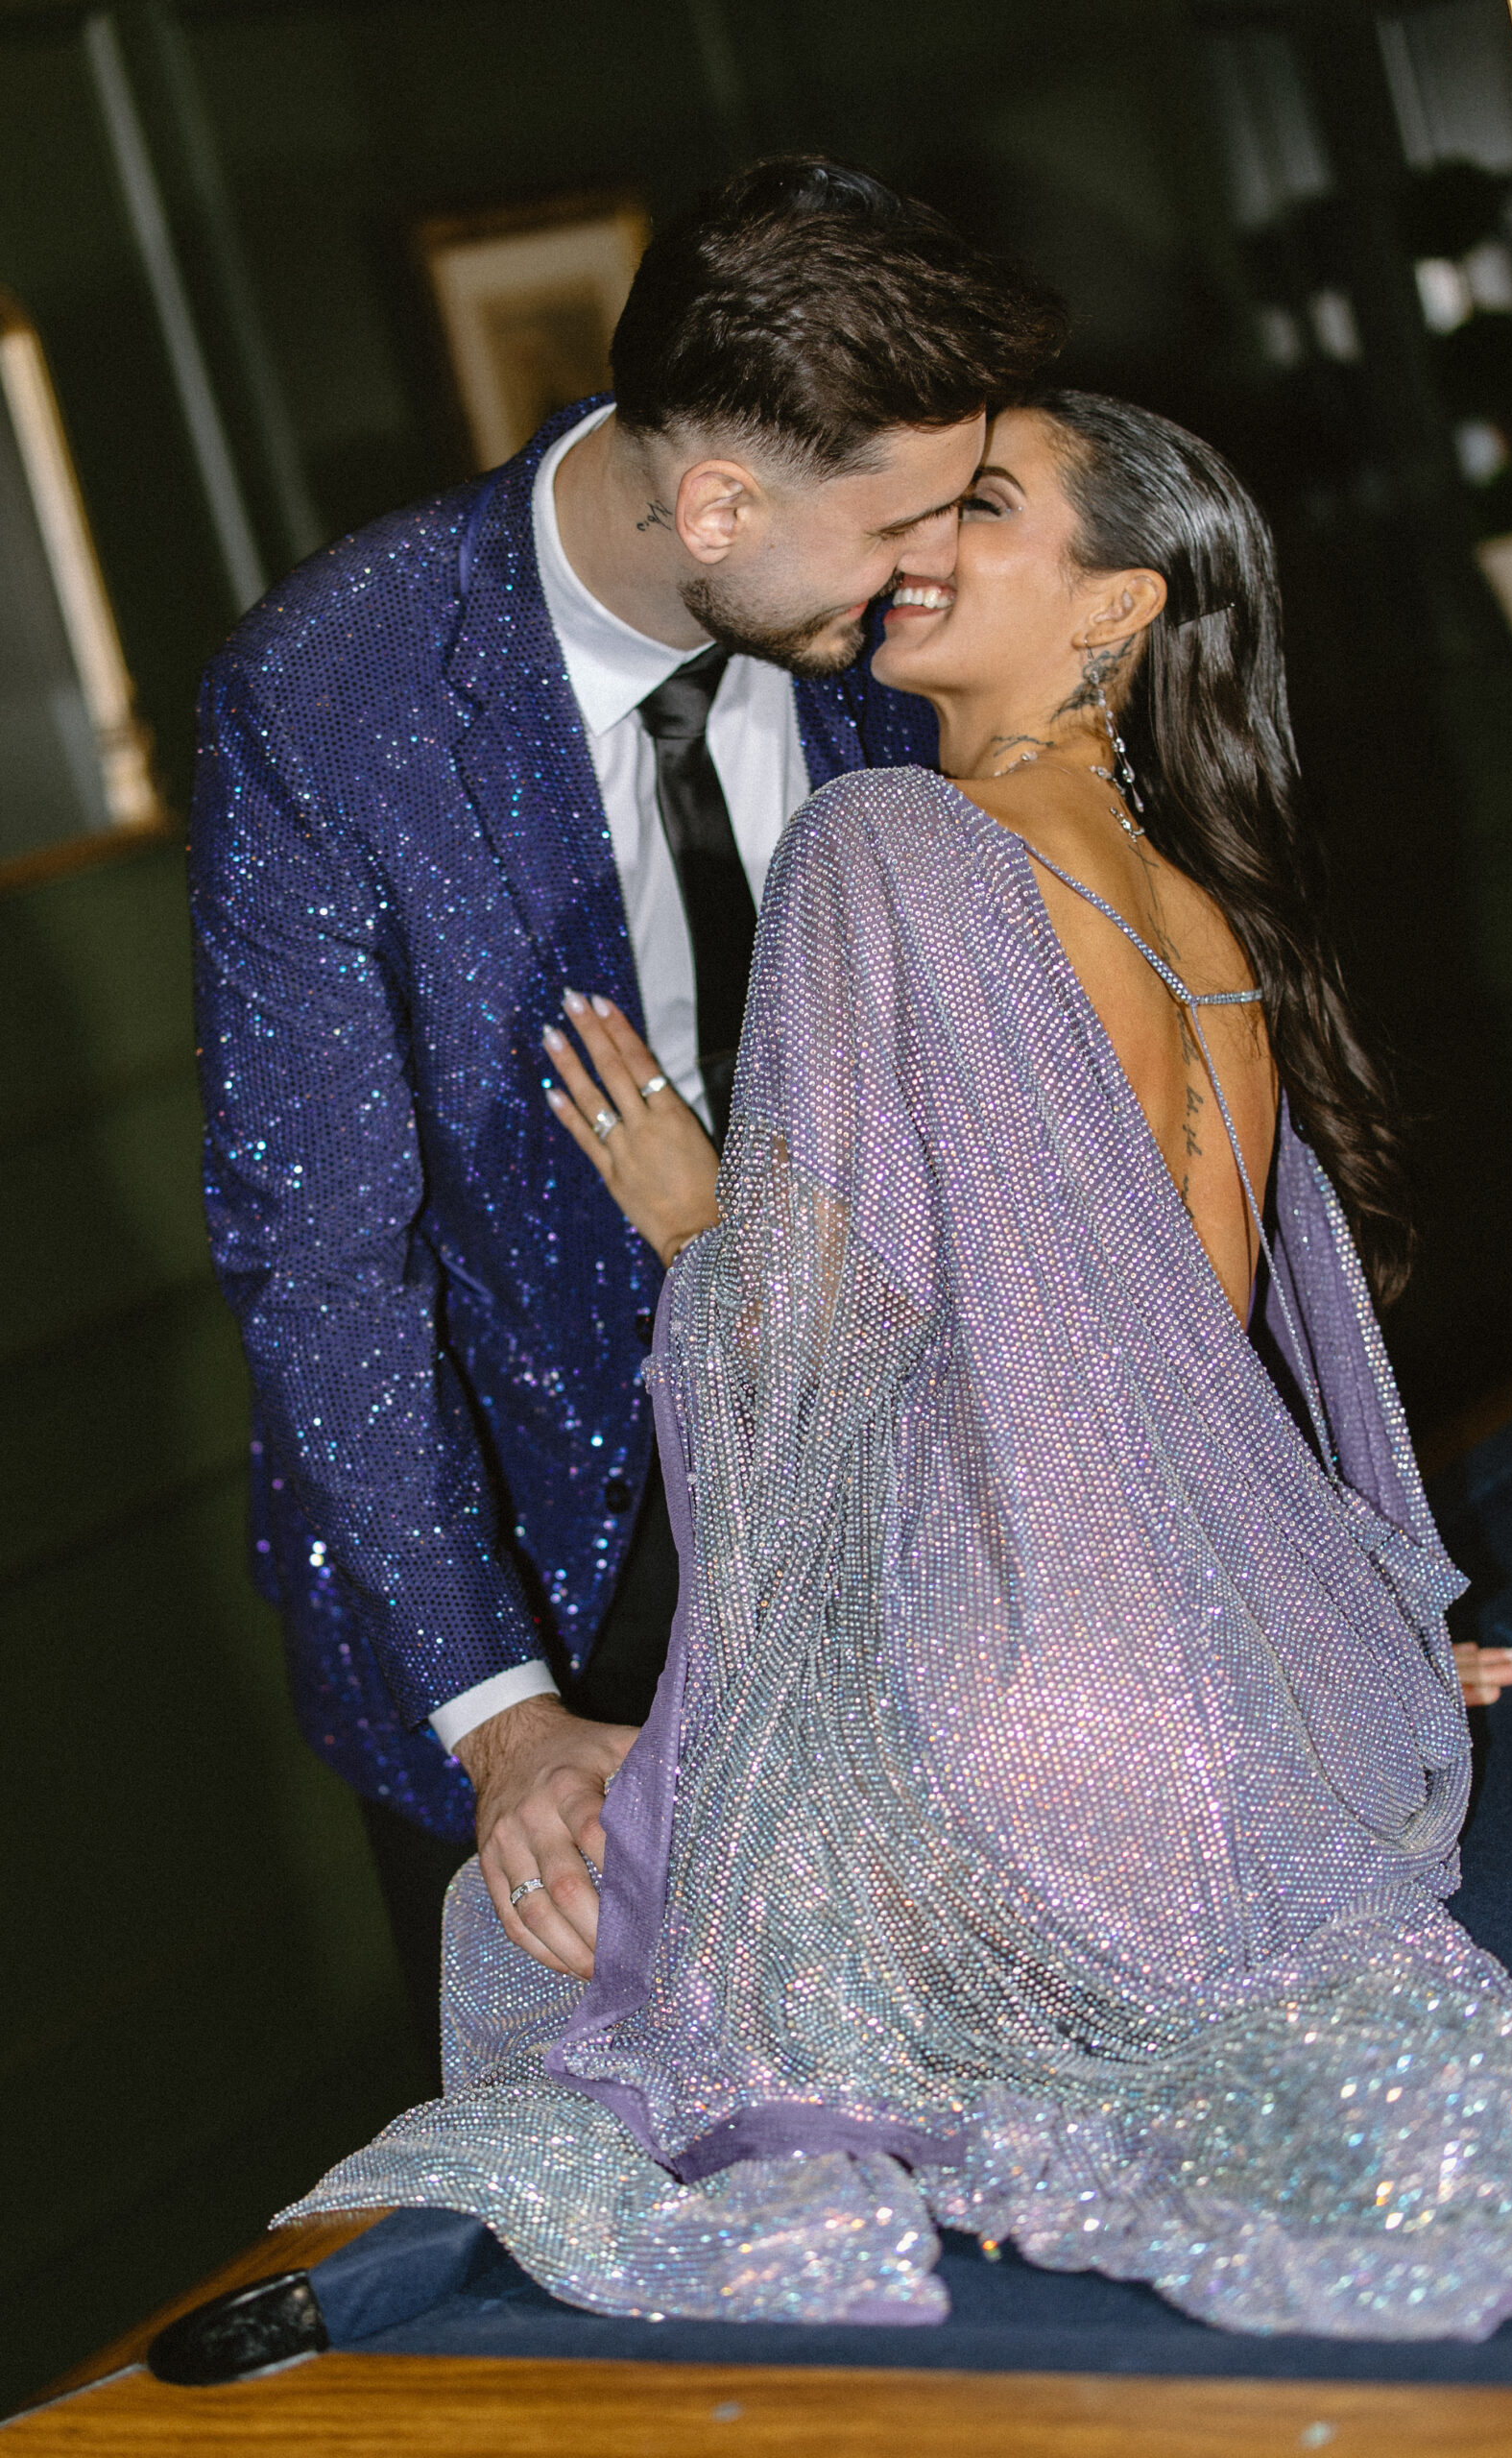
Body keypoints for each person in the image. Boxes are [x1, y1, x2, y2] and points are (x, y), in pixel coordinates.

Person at [285, 393, 1512, 2338]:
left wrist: (685, 1217)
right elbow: (1186, 1365)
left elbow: (816, 1375)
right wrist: (1344, 1613)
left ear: (1113, 610)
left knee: (542, 1926)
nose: (909, 538)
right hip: (1264, 1747)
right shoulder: (1208, 914)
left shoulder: (886, 843)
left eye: (978, 506)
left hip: (1018, 1748)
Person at [189, 157, 1064, 2060]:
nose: (933, 575)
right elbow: (321, 1252)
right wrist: (504, 1713)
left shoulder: (898, 642)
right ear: (716, 503)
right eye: (899, 526)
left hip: (905, 1507)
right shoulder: (328, 698)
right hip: (530, 1570)